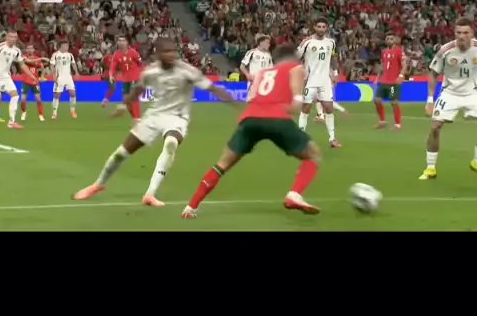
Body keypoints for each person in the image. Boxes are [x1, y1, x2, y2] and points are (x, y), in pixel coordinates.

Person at [73, 38, 238, 206]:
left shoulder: (188, 71)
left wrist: (235, 104)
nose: (171, 55)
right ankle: (97, 185)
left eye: (173, 51)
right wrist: (122, 106)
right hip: (154, 116)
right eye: (166, 51)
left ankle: (150, 194)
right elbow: (137, 90)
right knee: (121, 153)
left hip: (178, 117)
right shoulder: (150, 72)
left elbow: (212, 88)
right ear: (158, 54)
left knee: (171, 143)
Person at [182, 43, 322, 219]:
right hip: (277, 118)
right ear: (294, 57)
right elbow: (296, 105)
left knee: (222, 164)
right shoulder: (296, 68)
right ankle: (294, 194)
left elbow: (253, 98)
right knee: (313, 154)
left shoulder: (262, 73)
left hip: (250, 119)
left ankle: (191, 207)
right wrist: (290, 106)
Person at [419, 18, 477, 179]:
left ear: (471, 33)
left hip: (473, 93)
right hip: (450, 93)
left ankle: (476, 161)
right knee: (435, 127)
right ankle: (430, 168)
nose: (462, 36)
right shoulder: (446, 50)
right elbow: (433, 74)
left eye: (465, 32)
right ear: (454, 33)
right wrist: (430, 100)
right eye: (459, 32)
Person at [297, 18, 341, 148]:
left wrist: (335, 74)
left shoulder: (331, 42)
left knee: (329, 108)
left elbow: (333, 57)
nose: (321, 29)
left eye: (323, 27)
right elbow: (297, 56)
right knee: (306, 108)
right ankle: (300, 137)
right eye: (319, 26)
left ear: (327, 28)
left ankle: (332, 139)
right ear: (314, 27)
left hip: (325, 81)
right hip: (310, 80)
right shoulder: (307, 42)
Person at [0, 32, 39, 129]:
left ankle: (12, 122)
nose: (13, 38)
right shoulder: (0, 47)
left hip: (6, 77)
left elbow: (22, 65)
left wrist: (32, 76)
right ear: (7, 37)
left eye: (15, 37)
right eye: (11, 36)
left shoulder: (16, 50)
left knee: (15, 96)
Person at [373, 34, 406, 130]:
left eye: (391, 39)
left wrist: (401, 76)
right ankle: (382, 121)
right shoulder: (384, 52)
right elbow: (382, 67)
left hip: (393, 83)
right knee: (377, 100)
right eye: (387, 39)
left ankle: (397, 125)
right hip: (384, 82)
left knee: (394, 102)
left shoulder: (399, 51)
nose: (389, 40)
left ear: (394, 40)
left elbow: (404, 65)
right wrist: (377, 79)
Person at [108, 37, 142, 119]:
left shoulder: (133, 52)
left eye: (123, 40)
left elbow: (140, 63)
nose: (121, 42)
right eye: (119, 40)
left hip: (135, 78)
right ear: (117, 43)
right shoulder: (116, 55)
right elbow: (112, 67)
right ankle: (135, 118)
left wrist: (140, 73)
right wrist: (111, 75)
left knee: (133, 98)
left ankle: (137, 118)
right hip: (125, 80)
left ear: (127, 43)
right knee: (127, 101)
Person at [50, 41, 79, 120]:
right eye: (66, 45)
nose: (67, 47)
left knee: (73, 94)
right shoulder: (55, 55)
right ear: (61, 46)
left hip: (68, 77)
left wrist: (76, 72)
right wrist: (54, 75)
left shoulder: (70, 55)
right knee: (57, 95)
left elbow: (73, 64)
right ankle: (54, 113)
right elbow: (52, 65)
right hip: (59, 77)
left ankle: (72, 111)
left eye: (67, 45)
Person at [20, 44, 48, 122]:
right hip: (26, 81)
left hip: (35, 82)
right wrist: (41, 58)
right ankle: (24, 112)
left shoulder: (37, 58)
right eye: (28, 48)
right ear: (26, 50)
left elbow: (43, 69)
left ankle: (41, 115)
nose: (29, 50)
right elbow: (28, 61)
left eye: (31, 48)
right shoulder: (23, 57)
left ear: (33, 50)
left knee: (38, 99)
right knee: (23, 99)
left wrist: (41, 76)